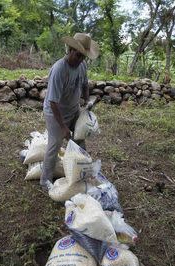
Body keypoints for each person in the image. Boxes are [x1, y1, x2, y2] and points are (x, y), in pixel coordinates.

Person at [40, 33, 100, 189]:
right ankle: (45, 180)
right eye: (78, 55)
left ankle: (81, 173)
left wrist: (87, 102)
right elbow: (53, 101)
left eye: (83, 57)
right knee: (55, 145)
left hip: (73, 110)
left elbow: (85, 85)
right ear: (70, 50)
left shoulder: (81, 66)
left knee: (79, 142)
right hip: (55, 113)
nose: (80, 59)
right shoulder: (59, 69)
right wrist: (63, 127)